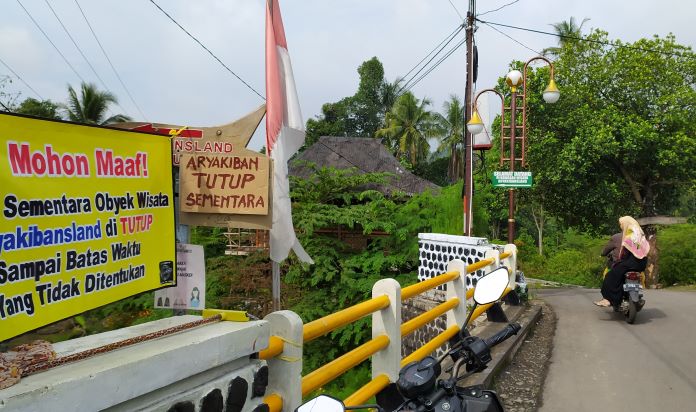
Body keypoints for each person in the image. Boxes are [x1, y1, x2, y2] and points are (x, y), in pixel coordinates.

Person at [594, 216, 649, 308]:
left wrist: (619, 259)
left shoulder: (628, 236)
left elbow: (624, 253)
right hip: (641, 264)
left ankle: (608, 300)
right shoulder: (640, 235)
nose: (620, 225)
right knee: (618, 275)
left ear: (626, 224)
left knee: (609, 277)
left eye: (621, 224)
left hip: (631, 263)